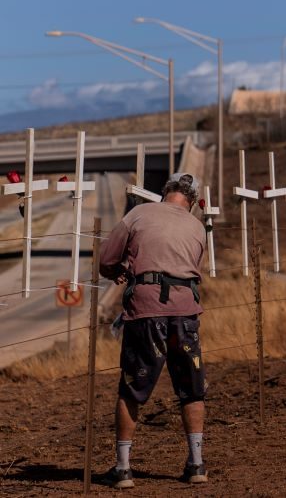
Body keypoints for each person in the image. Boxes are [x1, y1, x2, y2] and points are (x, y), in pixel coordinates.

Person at [99, 172, 208, 488]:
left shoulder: (138, 214)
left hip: (147, 312)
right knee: (191, 388)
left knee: (133, 387)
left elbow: (108, 258)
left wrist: (118, 271)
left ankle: (122, 469)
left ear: (165, 193)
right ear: (191, 201)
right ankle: (197, 464)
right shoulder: (197, 226)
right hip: (186, 312)